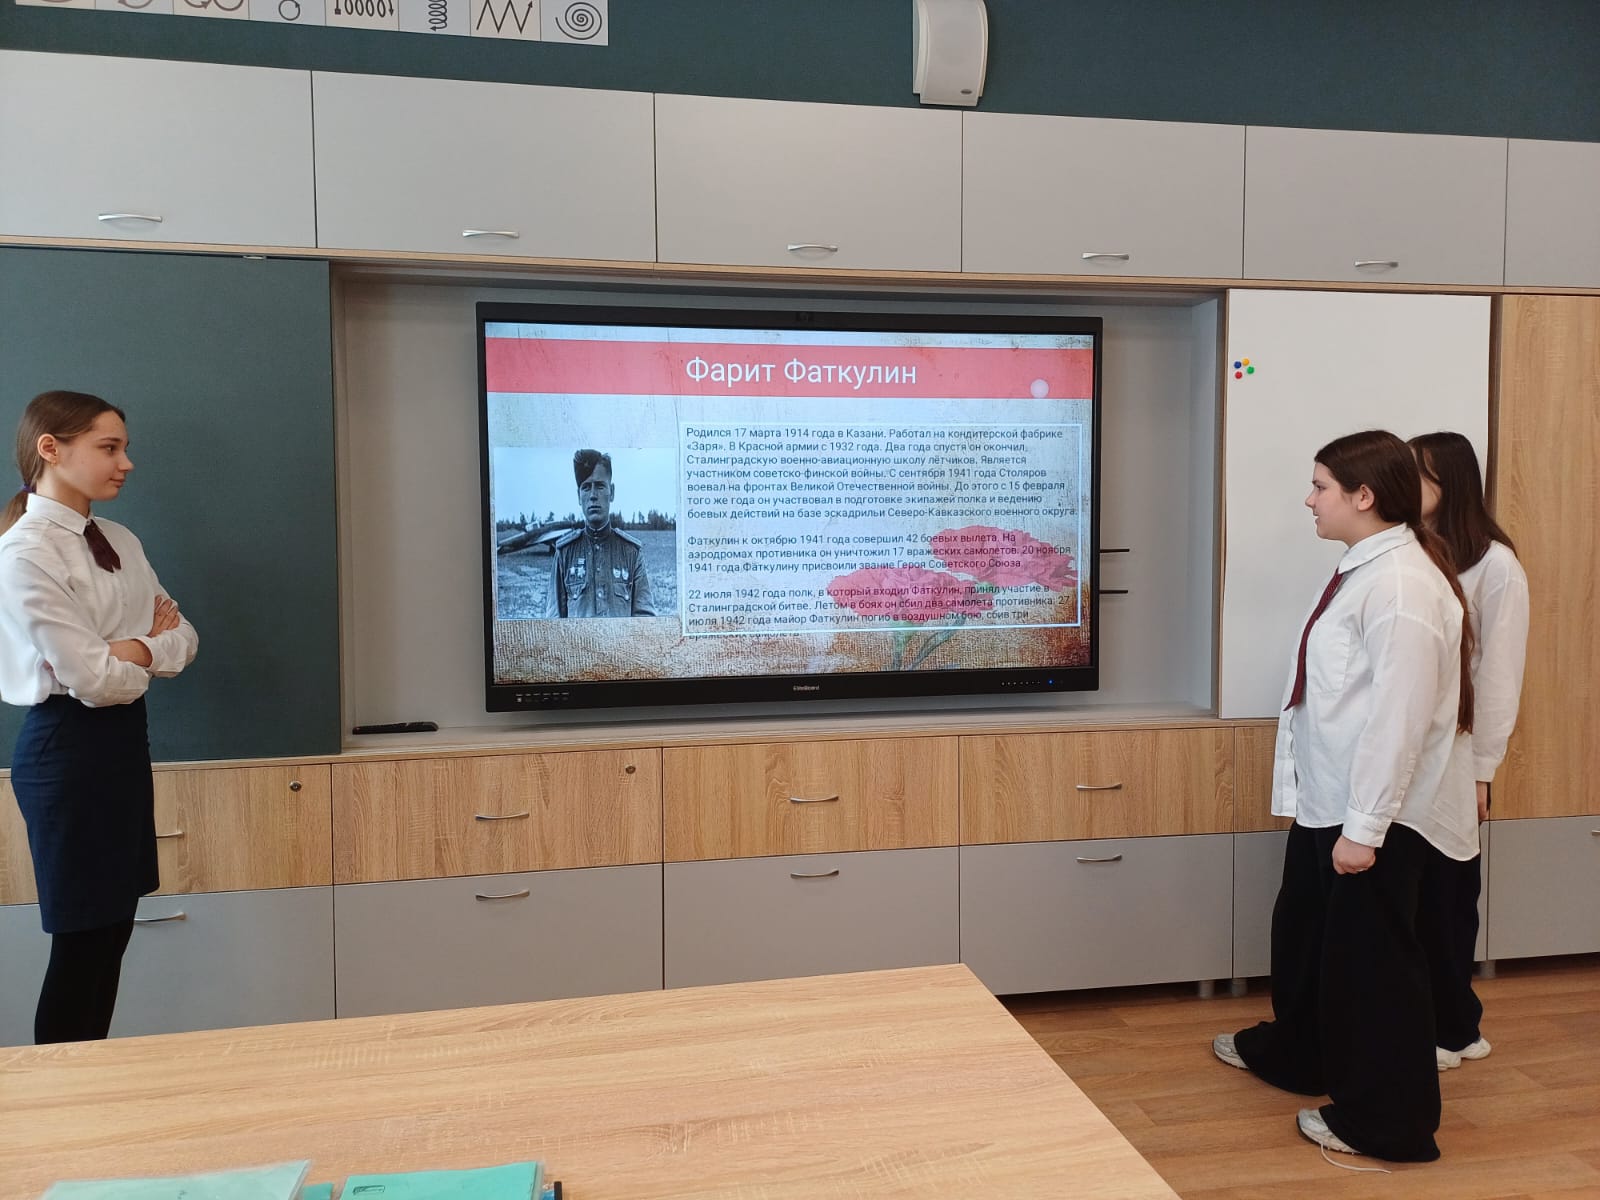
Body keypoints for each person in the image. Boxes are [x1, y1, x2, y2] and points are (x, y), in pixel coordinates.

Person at [1212, 429, 1476, 1163]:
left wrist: (1363, 830)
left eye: (1320, 486)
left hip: (1374, 817)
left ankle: (1390, 1124)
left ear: (1364, 496)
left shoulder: (1402, 587)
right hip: (1330, 801)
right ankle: (1303, 1054)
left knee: (1375, 970)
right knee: (1306, 937)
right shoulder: (1366, 570)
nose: (1309, 500)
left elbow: (1399, 720)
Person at [0, 391, 198, 1044]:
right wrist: (144, 645)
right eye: (109, 448)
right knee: (82, 943)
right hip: (66, 751)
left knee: (112, 933)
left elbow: (185, 639)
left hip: (121, 746)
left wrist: (125, 648)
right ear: (51, 449)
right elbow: (90, 680)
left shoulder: (119, 539)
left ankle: (88, 1083)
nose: (126, 463)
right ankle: (60, 1094)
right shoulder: (26, 552)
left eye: (124, 448)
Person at [1410, 431, 1529, 1071]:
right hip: (1416, 752)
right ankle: (1434, 1022)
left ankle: (1455, 1029)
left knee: (1449, 899)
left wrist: (1483, 771)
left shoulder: (1497, 566)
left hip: (1459, 759)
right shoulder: (1415, 551)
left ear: (1450, 482)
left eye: (1419, 475)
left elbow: (1499, 678)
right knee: (1418, 897)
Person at [546, 449, 655, 617]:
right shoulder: (564, 553)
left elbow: (645, 618)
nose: (593, 496)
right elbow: (553, 620)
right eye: (586, 487)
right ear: (578, 496)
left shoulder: (632, 552)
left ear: (612, 492)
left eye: (600, 486)